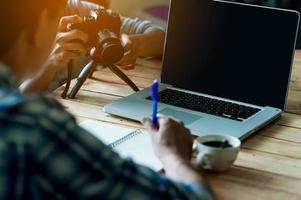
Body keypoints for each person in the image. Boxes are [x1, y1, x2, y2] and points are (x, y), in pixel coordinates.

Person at [0, 0, 214, 199]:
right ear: (42, 24)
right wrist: (172, 156)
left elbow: (160, 35)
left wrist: (135, 44)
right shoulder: (37, 127)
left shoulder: (82, 10)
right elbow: (194, 196)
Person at [19, 0, 165, 94]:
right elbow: (10, 106)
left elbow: (162, 38)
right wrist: (49, 64)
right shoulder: (11, 32)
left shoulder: (78, 10)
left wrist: (135, 44)